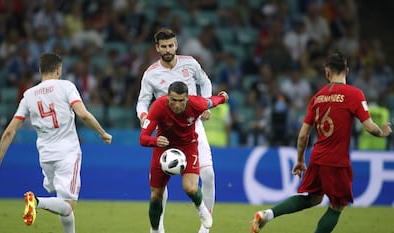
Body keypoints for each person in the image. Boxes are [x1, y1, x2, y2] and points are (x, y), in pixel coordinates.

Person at [250, 52, 392, 233]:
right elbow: (370, 127)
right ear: (347, 71)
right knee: (337, 205)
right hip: (337, 161)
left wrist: (300, 159)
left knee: (314, 198)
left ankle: (267, 214)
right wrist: (383, 132)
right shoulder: (354, 94)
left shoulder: (317, 97)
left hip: (317, 157)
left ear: (327, 72)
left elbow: (302, 135)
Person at [0, 53, 112, 233]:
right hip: (68, 153)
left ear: (40, 70)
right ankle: (36, 201)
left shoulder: (28, 95)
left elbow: (9, 131)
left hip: (45, 156)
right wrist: (102, 133)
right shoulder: (66, 87)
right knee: (68, 205)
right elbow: (83, 114)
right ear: (59, 70)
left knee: (62, 201)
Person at [136, 28, 215, 233]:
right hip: (166, 131)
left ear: (176, 45)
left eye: (171, 45)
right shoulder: (151, 74)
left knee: (208, 174)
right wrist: (145, 118)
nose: (168, 49)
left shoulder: (190, 63)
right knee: (161, 185)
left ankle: (205, 228)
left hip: (192, 125)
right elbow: (142, 102)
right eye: (164, 46)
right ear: (157, 48)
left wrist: (206, 104)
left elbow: (205, 82)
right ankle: (158, 227)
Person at [139, 81, 229, 233]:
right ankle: (155, 230)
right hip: (163, 147)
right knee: (156, 195)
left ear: (187, 98)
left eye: (181, 100)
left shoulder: (197, 104)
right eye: (173, 100)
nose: (177, 105)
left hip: (188, 146)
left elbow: (212, 102)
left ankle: (201, 209)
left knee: (190, 188)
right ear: (168, 97)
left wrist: (222, 97)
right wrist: (154, 140)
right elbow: (143, 138)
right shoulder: (158, 107)